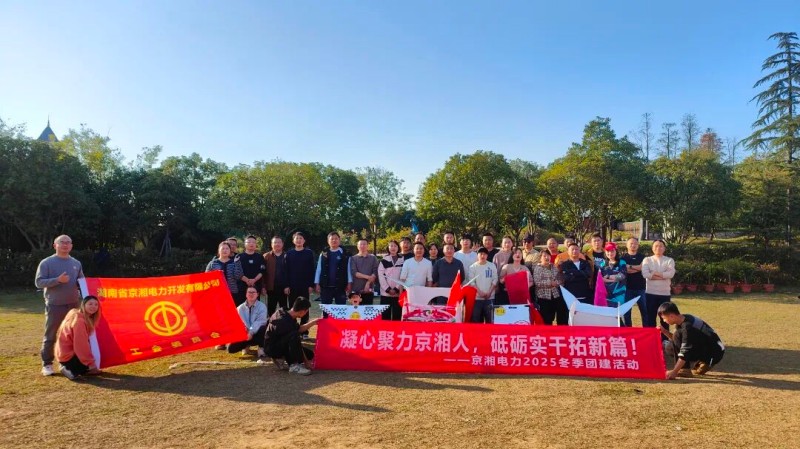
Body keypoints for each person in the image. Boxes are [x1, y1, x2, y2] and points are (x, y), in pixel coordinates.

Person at [35, 234, 85, 376]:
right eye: (62, 242)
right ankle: (47, 364)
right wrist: (57, 280)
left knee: (73, 335)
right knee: (51, 335)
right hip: (55, 305)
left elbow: (82, 281)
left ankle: (69, 363)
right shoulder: (46, 262)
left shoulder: (76, 263)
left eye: (68, 242)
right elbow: (39, 282)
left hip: (73, 305)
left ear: (71, 246)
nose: (65, 244)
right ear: (55, 245)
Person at [659, 302, 725, 380]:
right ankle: (696, 363)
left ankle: (687, 369)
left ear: (671, 316)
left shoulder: (687, 327)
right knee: (669, 346)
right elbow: (677, 340)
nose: (664, 321)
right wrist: (664, 331)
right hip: (707, 346)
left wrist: (674, 372)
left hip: (713, 354)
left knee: (676, 339)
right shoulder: (684, 318)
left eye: (664, 318)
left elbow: (685, 352)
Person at [265, 297, 319, 375]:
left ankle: (282, 358)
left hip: (278, 342)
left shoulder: (285, 312)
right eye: (306, 311)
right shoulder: (284, 322)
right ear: (302, 311)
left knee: (310, 354)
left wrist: (313, 322)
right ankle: (293, 365)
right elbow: (295, 339)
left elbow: (299, 329)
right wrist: (306, 362)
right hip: (272, 348)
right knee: (294, 335)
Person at [206, 241, 245, 348]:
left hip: (232, 293)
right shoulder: (212, 263)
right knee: (219, 318)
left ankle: (232, 340)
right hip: (217, 295)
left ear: (230, 250)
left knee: (233, 317)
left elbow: (238, 276)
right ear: (219, 250)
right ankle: (221, 340)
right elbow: (206, 278)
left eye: (227, 249)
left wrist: (237, 264)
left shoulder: (234, 262)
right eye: (222, 248)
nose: (225, 250)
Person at [55, 295, 102, 380]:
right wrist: (91, 364)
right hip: (68, 357)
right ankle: (69, 369)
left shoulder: (76, 314)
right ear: (83, 305)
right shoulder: (79, 321)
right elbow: (81, 345)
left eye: (96, 304)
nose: (93, 307)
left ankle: (71, 367)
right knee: (87, 366)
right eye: (90, 304)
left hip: (63, 355)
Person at [285, 232, 316, 337]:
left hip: (305, 285)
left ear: (304, 240)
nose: (298, 240)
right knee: (292, 308)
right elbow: (286, 270)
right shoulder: (289, 254)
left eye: (300, 238)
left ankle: (304, 332)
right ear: (293, 241)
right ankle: (293, 330)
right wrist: (287, 285)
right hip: (292, 285)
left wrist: (311, 285)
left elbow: (312, 269)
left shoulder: (309, 253)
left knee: (305, 307)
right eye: (296, 238)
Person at [642, 239, 675, 329]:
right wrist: (663, 276)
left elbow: (670, 274)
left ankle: (664, 337)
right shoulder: (647, 260)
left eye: (661, 246)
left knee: (665, 319)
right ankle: (651, 336)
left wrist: (654, 273)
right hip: (650, 293)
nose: (658, 248)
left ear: (664, 248)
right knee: (650, 318)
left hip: (664, 294)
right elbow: (645, 274)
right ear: (652, 248)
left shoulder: (669, 260)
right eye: (656, 246)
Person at [227, 287, 268, 358]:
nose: (251, 294)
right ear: (246, 294)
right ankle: (246, 346)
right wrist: (244, 331)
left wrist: (251, 332)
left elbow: (260, 321)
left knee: (263, 328)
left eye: (253, 292)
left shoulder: (262, 306)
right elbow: (236, 323)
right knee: (231, 349)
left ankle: (261, 348)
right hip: (245, 335)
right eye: (249, 292)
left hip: (256, 334)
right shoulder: (239, 308)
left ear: (257, 294)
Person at [315, 232, 352, 307]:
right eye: (332, 239)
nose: (334, 240)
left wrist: (349, 283)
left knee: (341, 309)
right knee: (326, 309)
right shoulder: (323, 254)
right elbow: (319, 269)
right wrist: (317, 283)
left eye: (336, 239)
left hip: (341, 286)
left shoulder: (345, 253)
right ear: (328, 241)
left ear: (339, 240)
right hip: (326, 286)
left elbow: (348, 269)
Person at [533, 251, 567, 325]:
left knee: (561, 314)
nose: (547, 257)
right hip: (543, 297)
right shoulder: (537, 268)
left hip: (556, 295)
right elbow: (537, 282)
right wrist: (550, 283)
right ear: (540, 258)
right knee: (546, 319)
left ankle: (561, 330)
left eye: (548, 255)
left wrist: (556, 283)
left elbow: (561, 279)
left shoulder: (554, 267)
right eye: (544, 256)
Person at [600, 242, 628, 324]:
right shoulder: (602, 264)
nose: (610, 253)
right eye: (608, 251)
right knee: (608, 316)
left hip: (619, 293)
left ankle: (622, 331)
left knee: (617, 315)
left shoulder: (622, 262)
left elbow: (622, 276)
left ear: (616, 251)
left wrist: (608, 277)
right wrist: (614, 278)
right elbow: (601, 279)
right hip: (606, 293)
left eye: (612, 251)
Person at [621, 237, 647, 325]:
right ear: (627, 245)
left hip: (641, 288)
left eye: (635, 243)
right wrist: (638, 268)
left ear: (638, 245)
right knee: (627, 313)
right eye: (631, 243)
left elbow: (642, 268)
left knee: (644, 311)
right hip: (627, 288)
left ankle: (646, 330)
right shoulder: (623, 258)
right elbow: (625, 271)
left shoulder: (643, 257)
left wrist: (630, 266)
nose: (633, 245)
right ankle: (629, 331)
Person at [468, 247, 498, 323]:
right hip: (477, 299)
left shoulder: (492, 265)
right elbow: (472, 282)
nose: (482, 256)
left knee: (490, 320)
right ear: (477, 255)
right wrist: (480, 292)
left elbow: (495, 279)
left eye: (484, 254)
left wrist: (490, 292)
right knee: (476, 320)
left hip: (490, 297)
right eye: (481, 254)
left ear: (487, 255)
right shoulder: (472, 267)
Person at [378, 240, 404, 320]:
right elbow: (381, 276)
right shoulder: (383, 260)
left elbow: (403, 276)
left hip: (398, 293)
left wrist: (396, 288)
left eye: (395, 246)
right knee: (385, 317)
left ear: (398, 248)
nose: (393, 248)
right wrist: (388, 289)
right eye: (391, 246)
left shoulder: (402, 260)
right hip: (385, 294)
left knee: (397, 316)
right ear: (388, 248)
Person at [264, 236, 289, 316]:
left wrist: (288, 286)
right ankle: (270, 323)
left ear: (282, 244)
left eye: (279, 242)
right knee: (271, 309)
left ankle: (284, 323)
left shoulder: (288, 256)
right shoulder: (266, 256)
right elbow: (263, 273)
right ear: (271, 244)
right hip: (271, 288)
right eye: (275, 242)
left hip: (284, 288)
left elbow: (290, 272)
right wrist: (263, 287)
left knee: (284, 309)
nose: (277, 244)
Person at [350, 239, 379, 305]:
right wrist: (368, 277)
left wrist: (368, 283)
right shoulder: (353, 258)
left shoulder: (373, 258)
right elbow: (355, 273)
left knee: (368, 309)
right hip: (356, 290)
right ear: (357, 246)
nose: (362, 246)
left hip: (369, 290)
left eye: (364, 244)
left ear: (367, 246)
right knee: (355, 311)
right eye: (361, 244)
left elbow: (375, 271)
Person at [239, 235, 266, 303]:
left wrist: (254, 280)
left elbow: (262, 271)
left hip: (256, 286)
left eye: (253, 242)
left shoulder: (260, 257)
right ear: (245, 244)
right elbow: (237, 271)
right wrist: (247, 280)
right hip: (242, 286)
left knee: (255, 305)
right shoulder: (239, 257)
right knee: (242, 305)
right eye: (249, 242)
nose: (251, 244)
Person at [493, 236, 515, 305]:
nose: (507, 244)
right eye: (505, 243)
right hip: (501, 284)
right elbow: (494, 271)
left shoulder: (515, 254)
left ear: (512, 244)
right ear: (502, 244)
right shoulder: (497, 256)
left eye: (509, 242)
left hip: (513, 284)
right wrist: (496, 285)